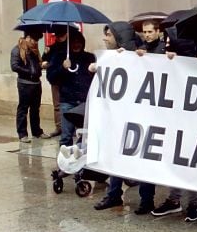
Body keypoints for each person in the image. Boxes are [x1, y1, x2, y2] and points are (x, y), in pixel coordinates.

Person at [93, 22, 156, 214]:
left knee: (144, 159)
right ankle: (113, 195)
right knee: (116, 156)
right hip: (118, 118)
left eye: (109, 35)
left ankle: (147, 200)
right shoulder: (112, 58)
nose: (105, 38)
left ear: (119, 38)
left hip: (140, 119)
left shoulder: (140, 57)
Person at [48, 30, 95, 147]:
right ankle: (63, 162)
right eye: (73, 42)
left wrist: (93, 71)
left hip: (84, 102)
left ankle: (79, 158)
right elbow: (51, 78)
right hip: (67, 102)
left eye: (79, 42)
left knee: (84, 135)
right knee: (66, 137)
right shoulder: (60, 57)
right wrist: (62, 67)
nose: (76, 45)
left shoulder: (89, 57)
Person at [11, 32, 49, 143]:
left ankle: (37, 131)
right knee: (23, 109)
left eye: (37, 40)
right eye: (34, 40)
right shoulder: (17, 50)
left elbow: (38, 64)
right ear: (27, 38)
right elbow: (14, 66)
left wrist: (42, 64)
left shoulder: (34, 50)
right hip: (24, 84)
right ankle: (22, 134)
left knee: (35, 109)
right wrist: (30, 72)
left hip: (36, 83)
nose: (36, 42)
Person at [41, 28, 68, 138]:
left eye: (61, 35)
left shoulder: (69, 47)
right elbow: (43, 60)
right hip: (55, 78)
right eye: (57, 35)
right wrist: (45, 58)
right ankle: (59, 127)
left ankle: (70, 127)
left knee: (69, 104)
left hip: (67, 79)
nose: (58, 37)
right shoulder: (52, 48)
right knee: (57, 105)